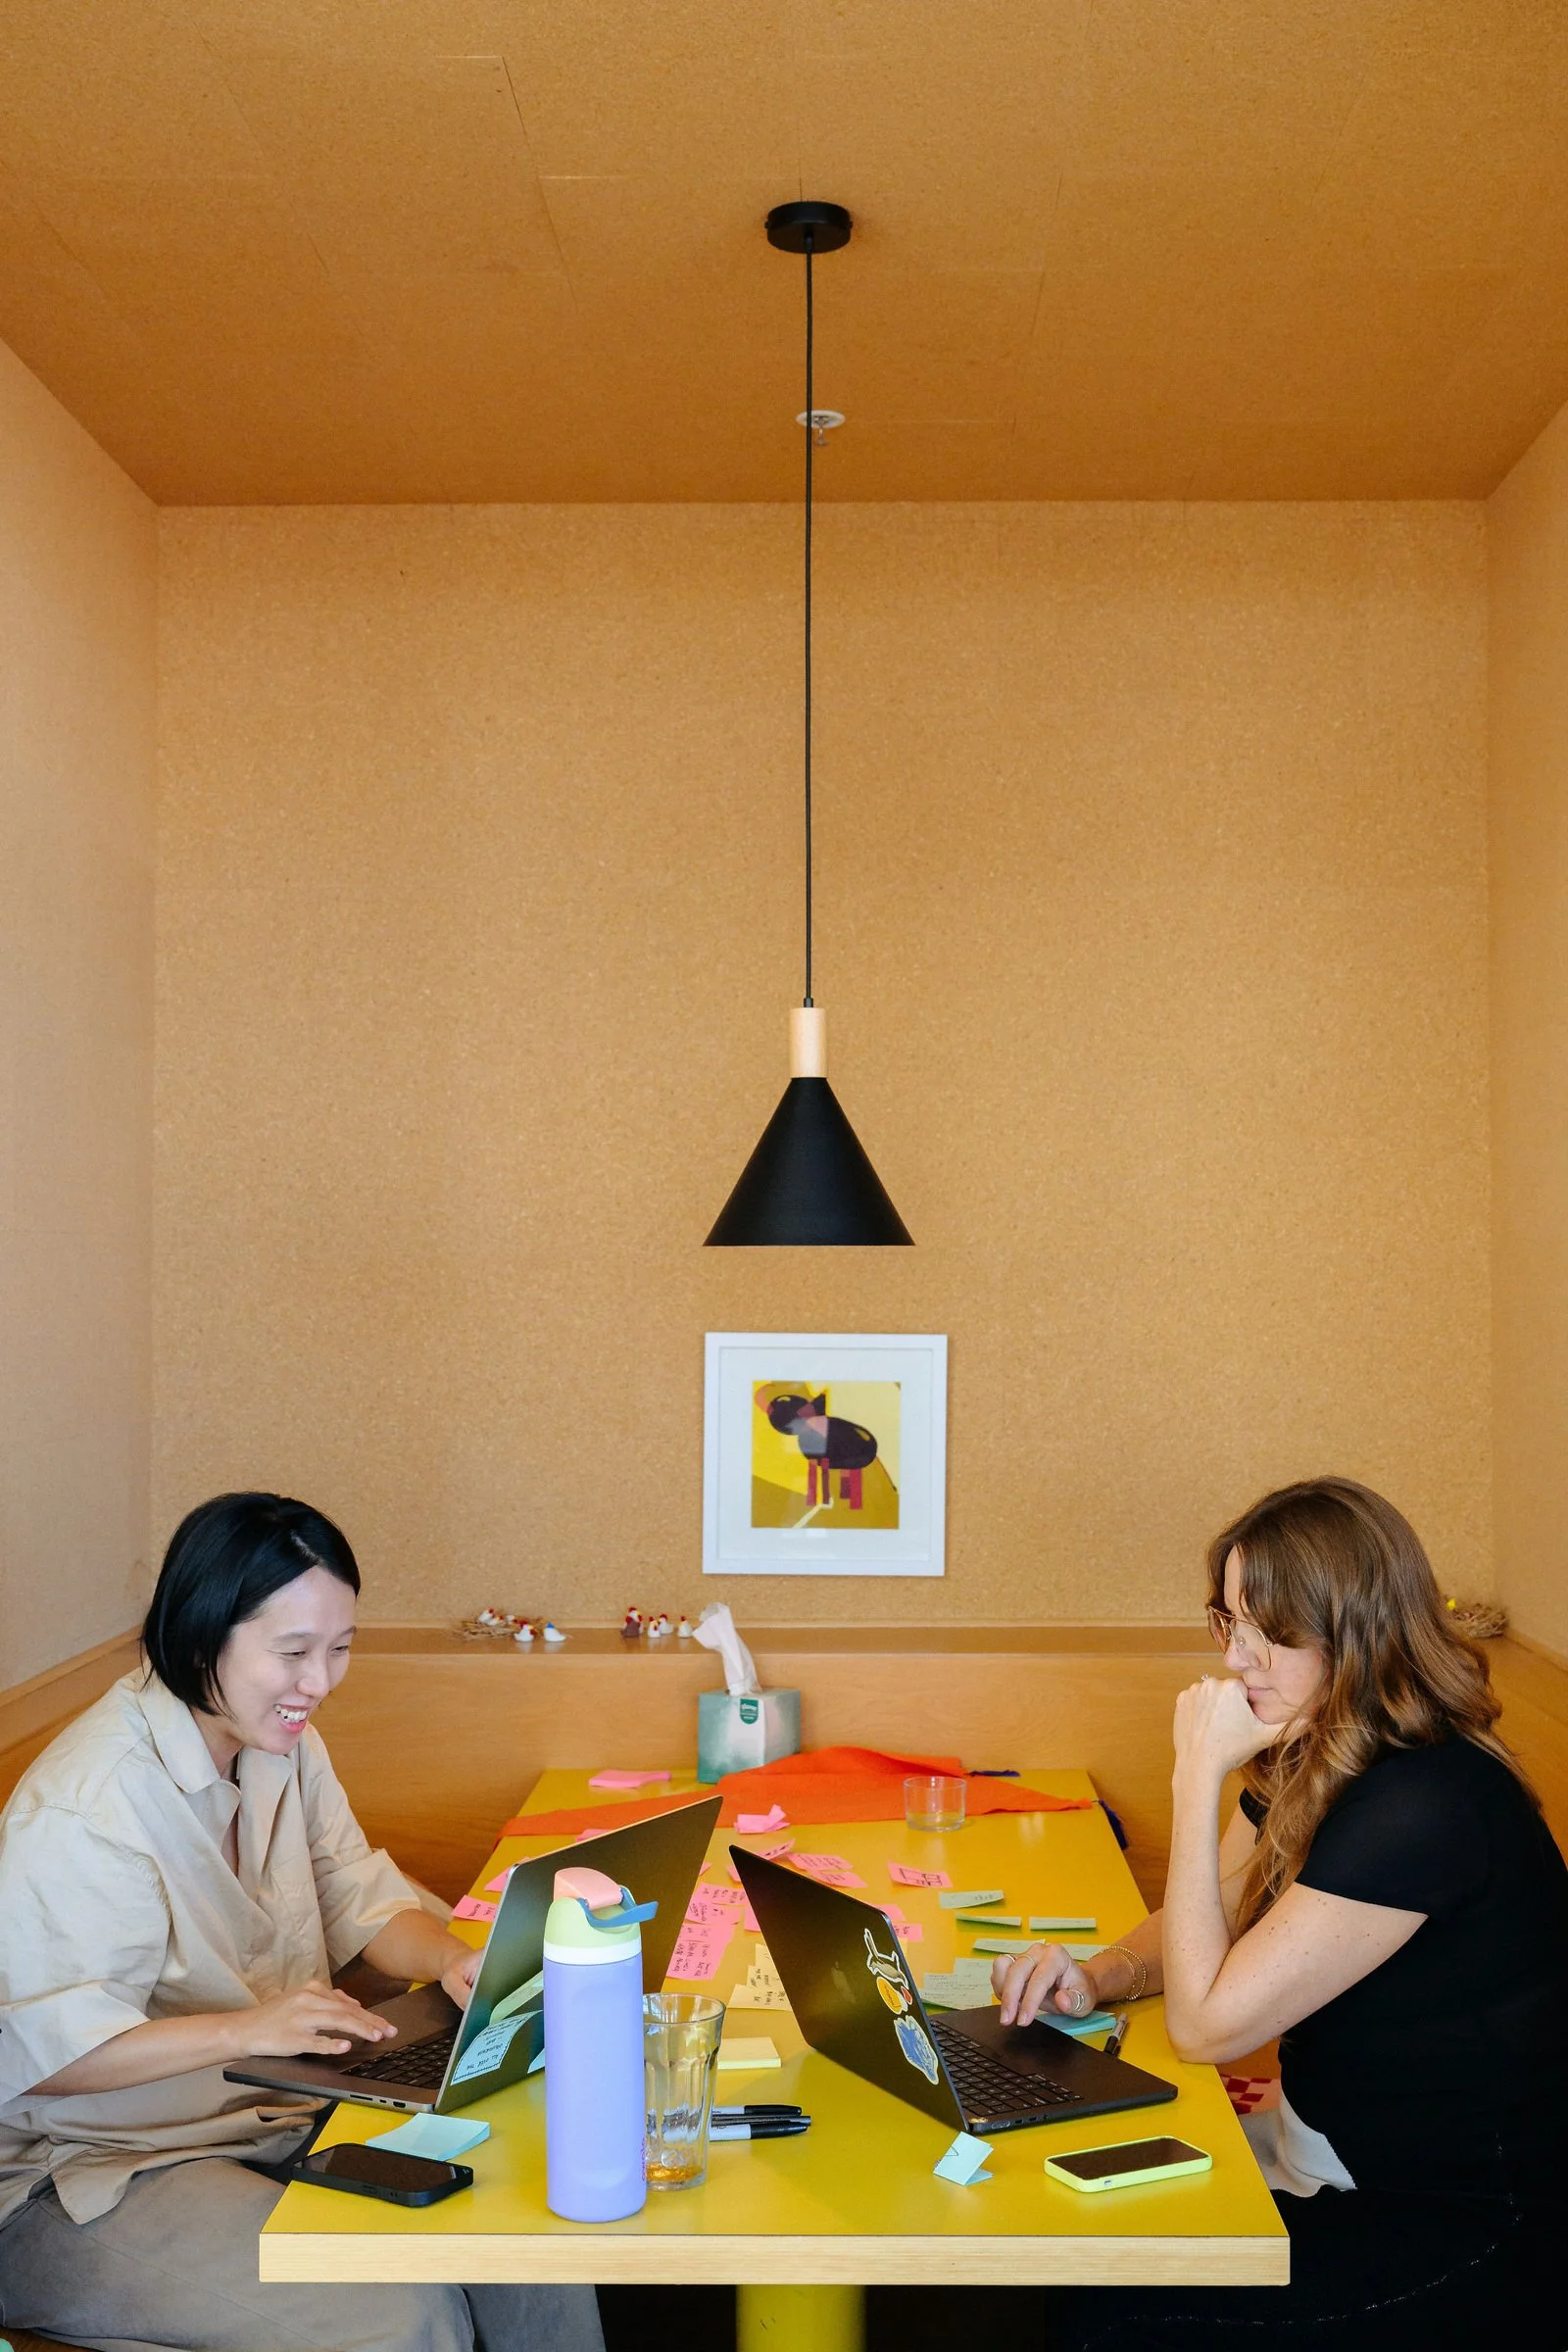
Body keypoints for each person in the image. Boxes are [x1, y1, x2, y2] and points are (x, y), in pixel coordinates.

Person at [0, 1492, 604, 2352]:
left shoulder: (279, 1741)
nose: (318, 1683)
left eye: (339, 1648)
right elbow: (46, 2053)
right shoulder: (88, 1808)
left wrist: (451, 1958)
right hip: (89, 2175)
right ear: (200, 1637)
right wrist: (249, 2029)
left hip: (277, 2111)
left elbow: (357, 1892)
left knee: (518, 2228)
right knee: (402, 2316)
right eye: (292, 1652)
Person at [995, 1476, 1568, 2351]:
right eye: (1230, 1623)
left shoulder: (1426, 1803)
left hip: (1468, 2221)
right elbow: (1208, 1915)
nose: (1237, 1661)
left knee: (1112, 2316)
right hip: (1331, 2151)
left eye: (1270, 1634)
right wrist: (1101, 1974)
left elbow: (1205, 2027)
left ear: (1357, 1633)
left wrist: (1197, 1778)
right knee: (1070, 2233)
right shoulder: (1322, 1749)